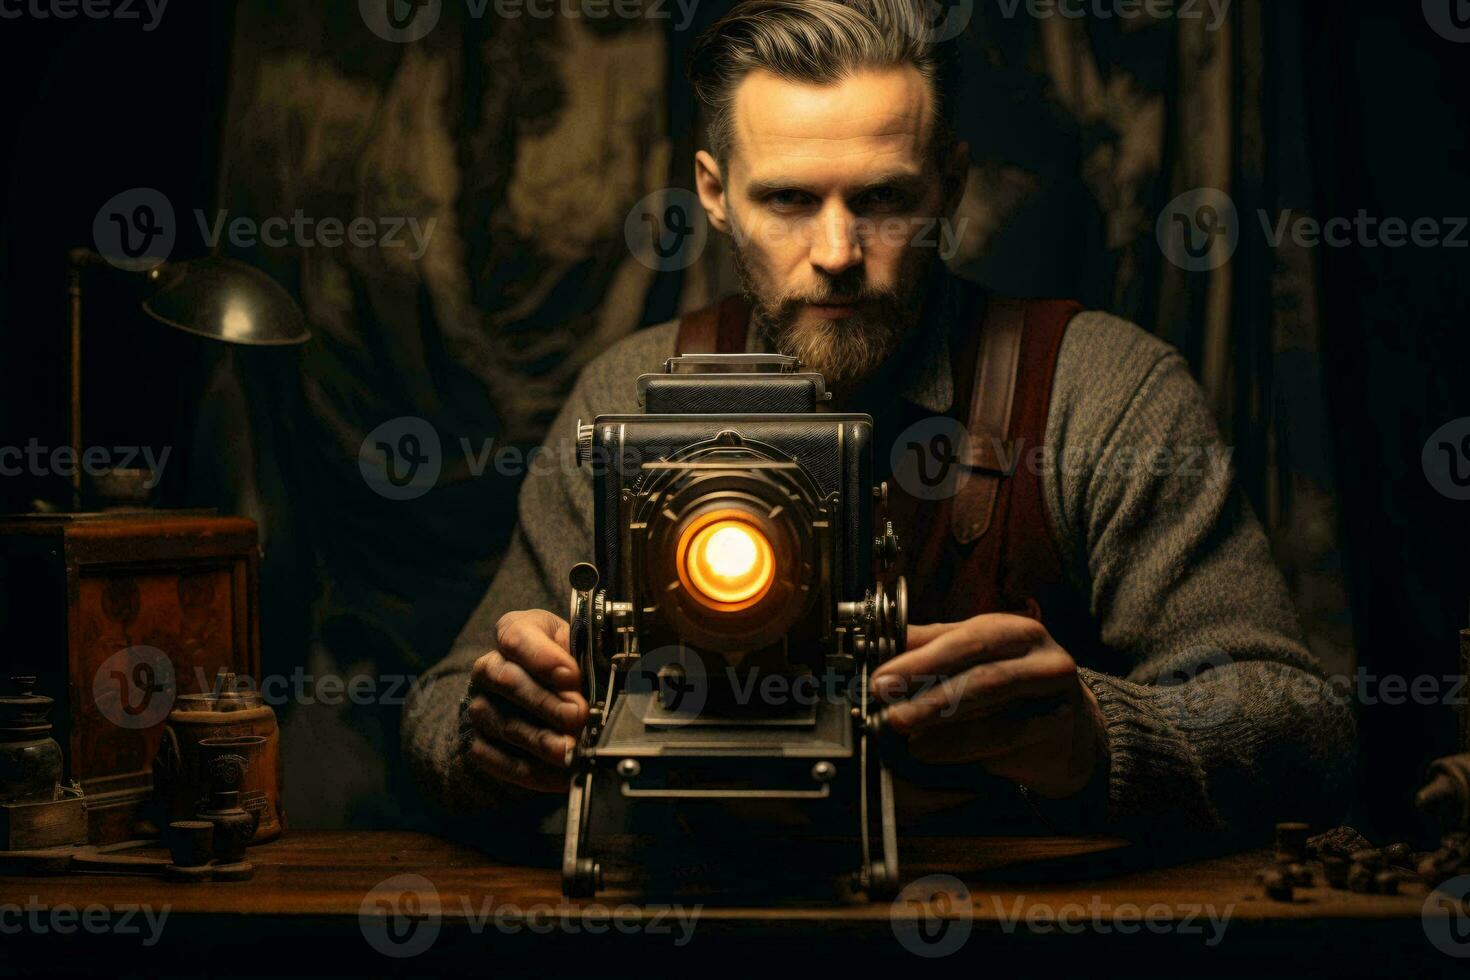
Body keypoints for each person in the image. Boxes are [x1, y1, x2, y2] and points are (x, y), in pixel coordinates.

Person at [403, 0, 1352, 849]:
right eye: (786, 199)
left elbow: (1301, 724)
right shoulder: (628, 392)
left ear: (949, 185)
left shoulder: (1098, 390)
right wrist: (494, 735)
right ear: (712, 192)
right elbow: (443, 706)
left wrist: (1092, 736)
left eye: (884, 199)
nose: (837, 254)